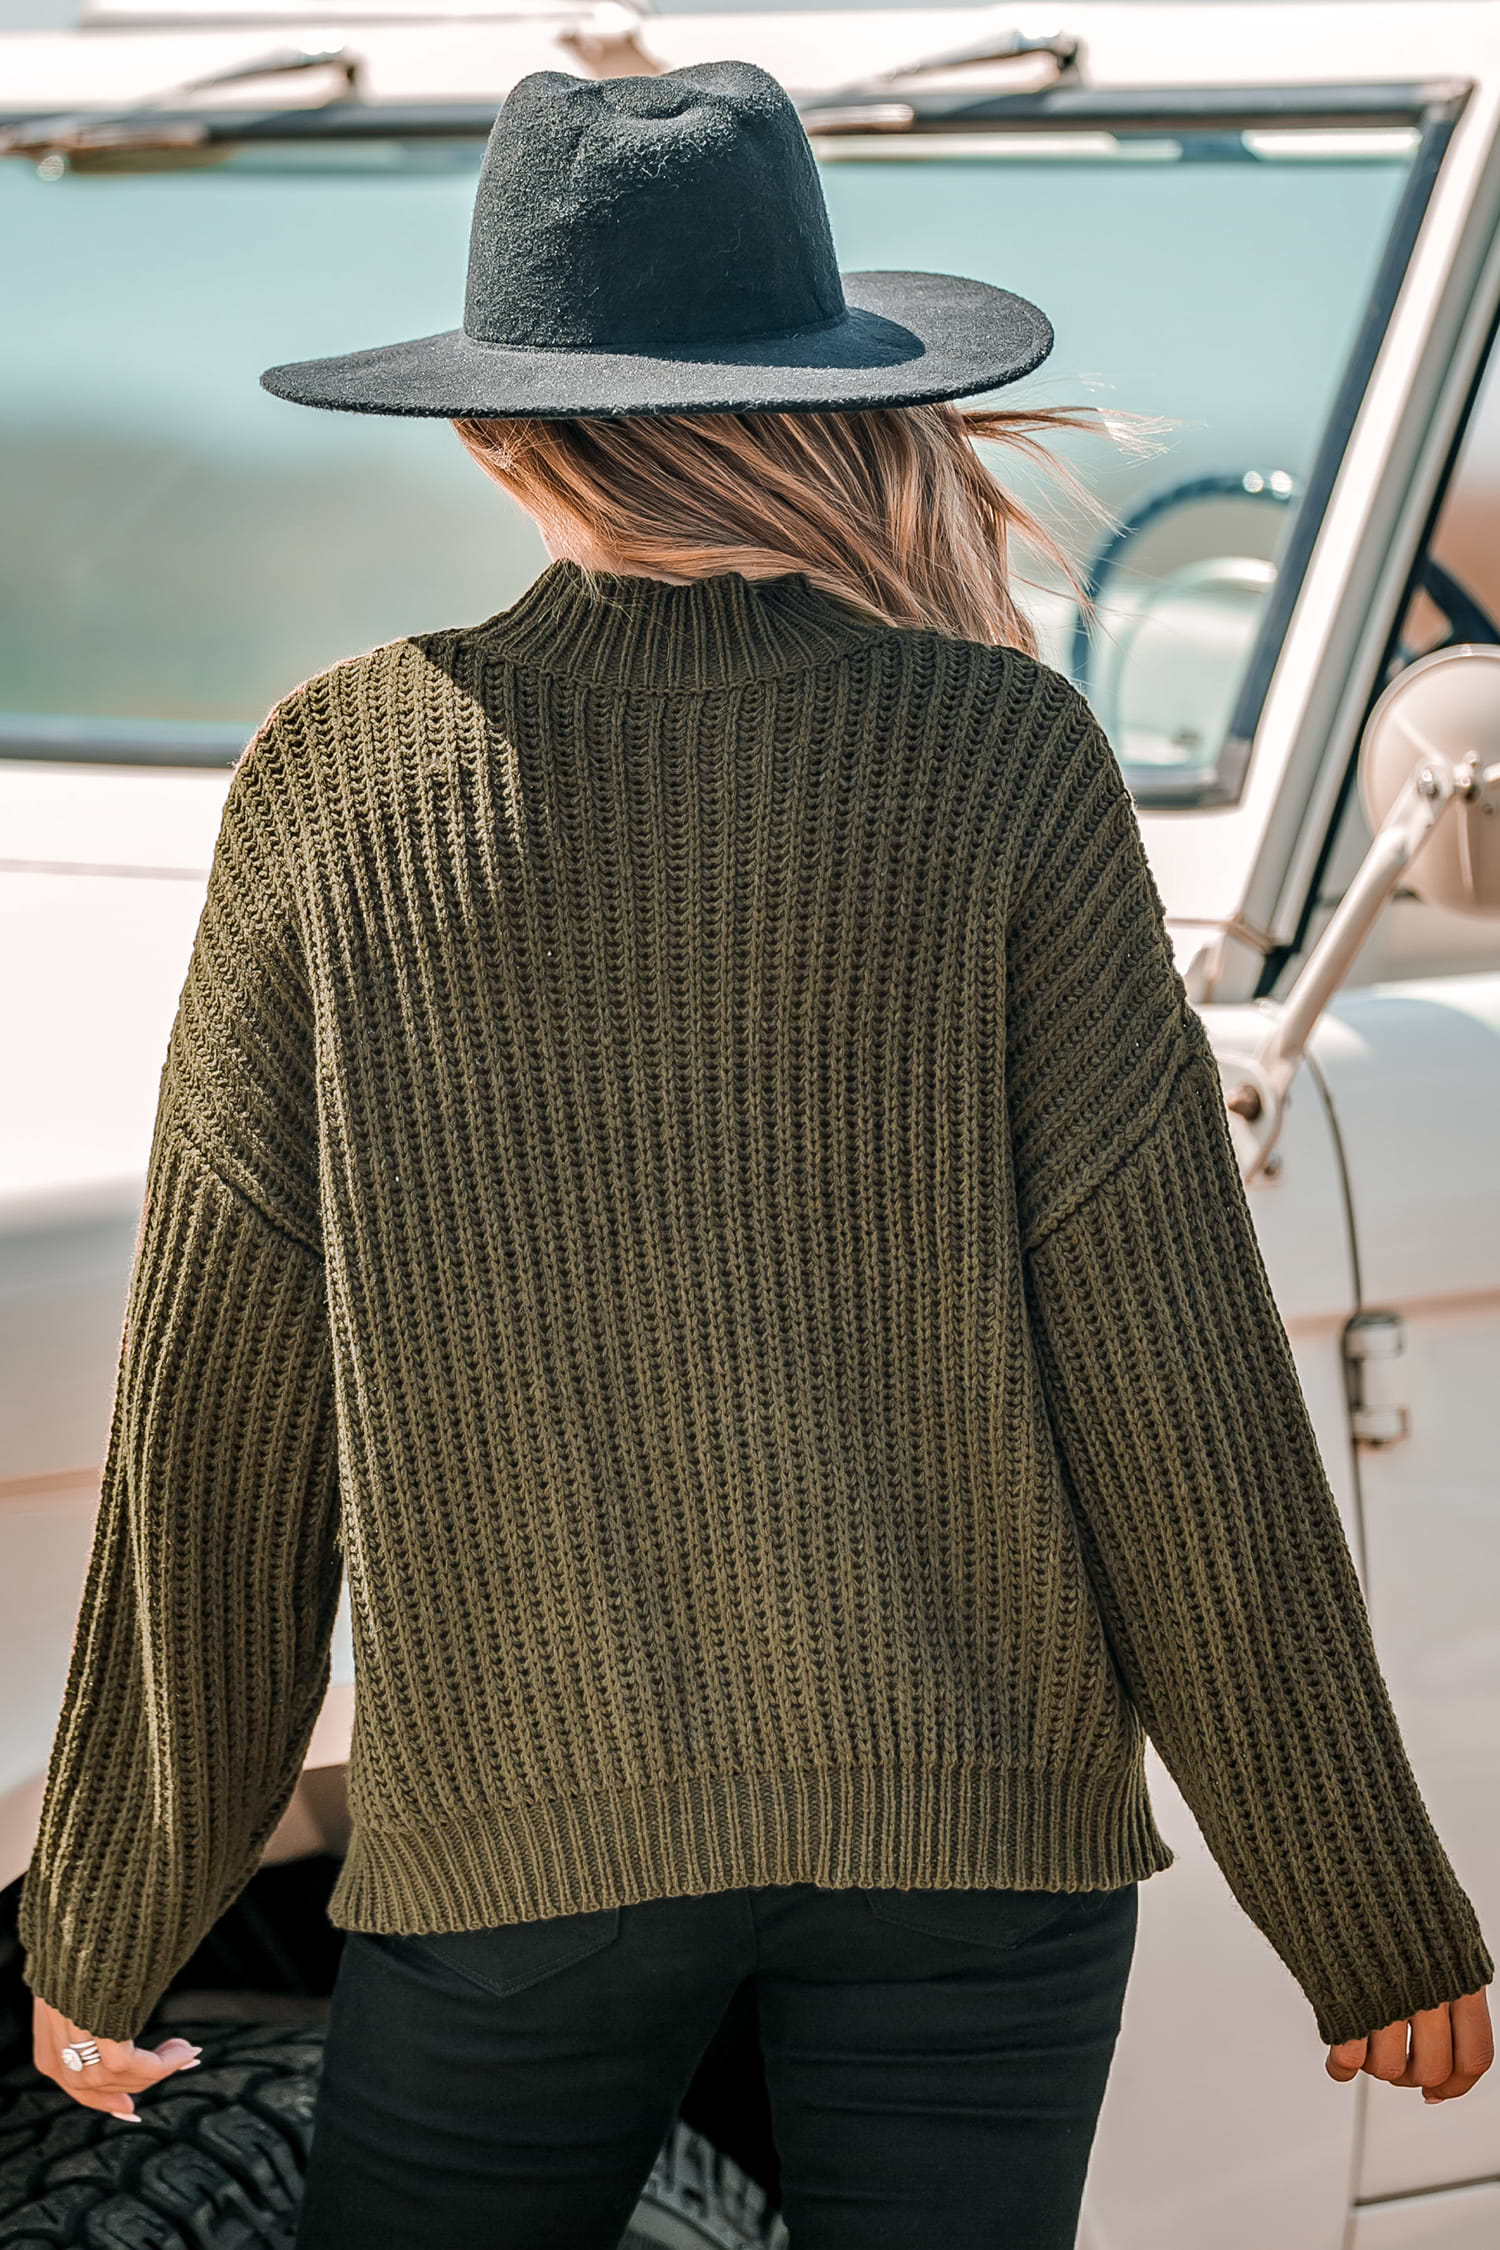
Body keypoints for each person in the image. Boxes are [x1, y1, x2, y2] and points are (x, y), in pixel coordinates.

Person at [19, 57, 1493, 2250]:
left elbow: (224, 1415)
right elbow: (1175, 1383)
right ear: (830, 398)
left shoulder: (339, 779)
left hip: (516, 1856)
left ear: (498, 434)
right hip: (978, 1860)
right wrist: (1363, 1909)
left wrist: (111, 1905)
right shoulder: (1010, 757)